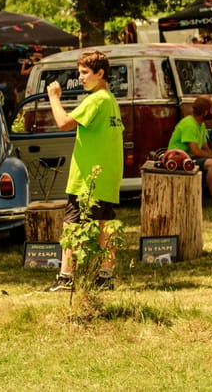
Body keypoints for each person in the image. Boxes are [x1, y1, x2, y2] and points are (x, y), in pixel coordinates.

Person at [42, 50, 124, 292]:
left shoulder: (96, 100)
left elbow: (63, 123)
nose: (81, 78)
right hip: (106, 175)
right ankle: (105, 276)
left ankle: (66, 278)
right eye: (79, 73)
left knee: (72, 225)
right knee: (104, 223)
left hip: (89, 177)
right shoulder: (110, 100)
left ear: (100, 73)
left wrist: (53, 97)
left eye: (85, 73)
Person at [167, 96, 212, 210]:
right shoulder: (189, 125)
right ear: (206, 111)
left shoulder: (201, 124)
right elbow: (195, 151)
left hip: (190, 157)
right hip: (179, 159)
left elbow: (206, 147)